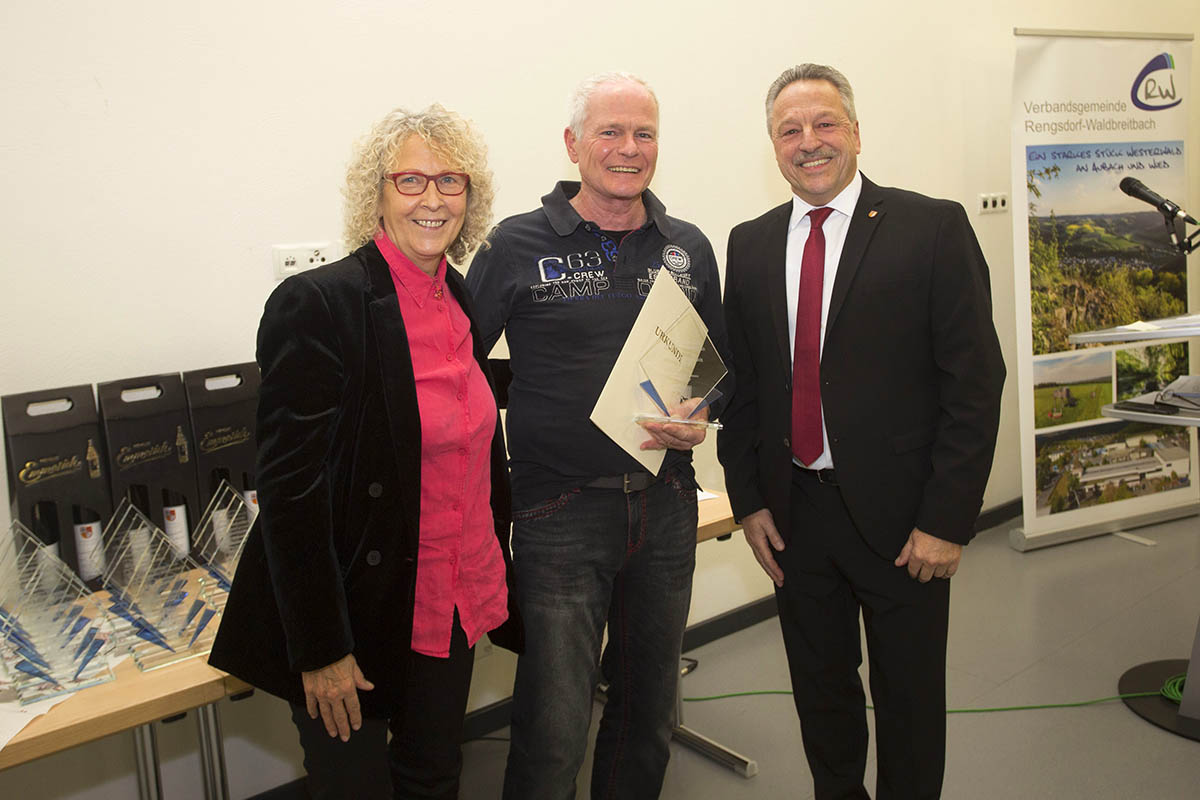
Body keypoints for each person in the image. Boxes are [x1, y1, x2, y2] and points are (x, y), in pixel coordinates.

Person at [208, 104, 522, 800]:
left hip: (450, 603)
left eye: (450, 181)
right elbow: (291, 493)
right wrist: (321, 648)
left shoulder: (460, 299)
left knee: (434, 778)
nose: (433, 199)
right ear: (375, 194)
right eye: (410, 180)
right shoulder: (319, 304)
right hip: (359, 613)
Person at [718, 64, 1005, 799]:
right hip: (793, 515)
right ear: (773, 144)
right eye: (790, 130)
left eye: (824, 124)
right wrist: (748, 500)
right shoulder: (749, 245)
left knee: (909, 700)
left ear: (854, 131)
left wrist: (948, 520)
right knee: (821, 692)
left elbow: (973, 382)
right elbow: (742, 387)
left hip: (906, 520)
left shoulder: (930, 226)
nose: (808, 142)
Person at [466, 72, 731, 800]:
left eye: (643, 133)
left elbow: (721, 364)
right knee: (554, 730)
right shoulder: (516, 245)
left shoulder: (688, 247)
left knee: (649, 716)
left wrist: (704, 406)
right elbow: (457, 364)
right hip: (559, 514)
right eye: (610, 132)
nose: (628, 148)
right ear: (574, 143)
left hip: (668, 505)